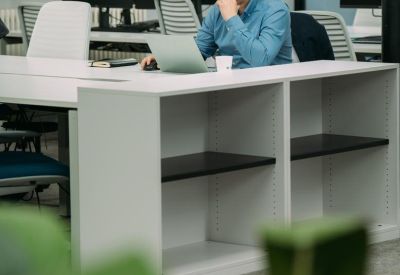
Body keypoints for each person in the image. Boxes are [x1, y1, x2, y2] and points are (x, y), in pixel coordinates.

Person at [141, 0, 292, 70]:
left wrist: (232, 19)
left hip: (269, 85)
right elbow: (200, 49)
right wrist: (167, 58)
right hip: (229, 84)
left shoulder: (275, 9)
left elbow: (261, 60)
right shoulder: (217, 10)